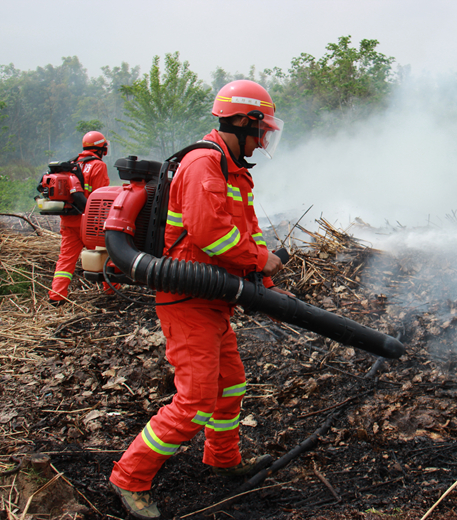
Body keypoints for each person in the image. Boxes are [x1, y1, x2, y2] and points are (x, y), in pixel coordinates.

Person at [109, 80, 292, 519]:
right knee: (194, 402)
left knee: (231, 384)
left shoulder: (233, 169)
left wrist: (263, 286)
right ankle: (129, 478)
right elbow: (215, 236)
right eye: (261, 128)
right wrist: (265, 262)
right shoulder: (203, 164)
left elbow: (244, 233)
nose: (264, 138)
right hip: (187, 297)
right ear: (244, 121)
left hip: (214, 298)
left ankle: (222, 459)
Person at [48, 131, 111, 304]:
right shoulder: (99, 166)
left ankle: (56, 296)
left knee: (66, 259)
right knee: (107, 253)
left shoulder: (71, 164)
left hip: (69, 220)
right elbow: (101, 197)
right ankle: (111, 290)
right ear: (102, 148)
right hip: (90, 222)